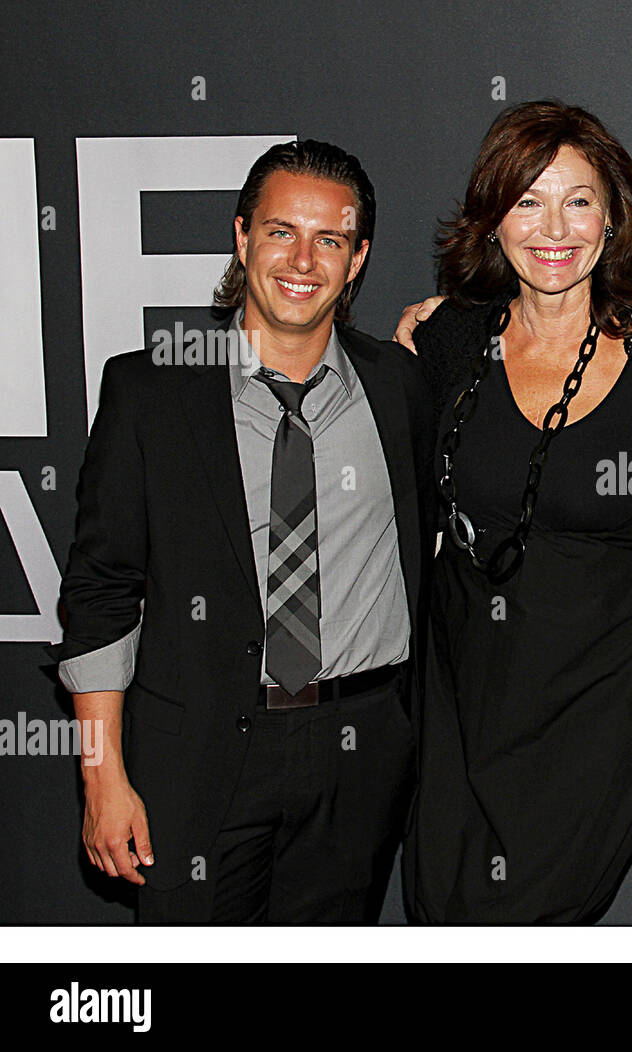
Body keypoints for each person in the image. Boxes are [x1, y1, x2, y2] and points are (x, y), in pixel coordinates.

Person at [54, 140, 438, 922]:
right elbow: (100, 595)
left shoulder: (399, 386)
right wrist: (102, 776)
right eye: (279, 231)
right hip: (197, 752)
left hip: (358, 751)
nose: (303, 259)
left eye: (329, 239)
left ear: (358, 258)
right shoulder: (149, 391)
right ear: (240, 237)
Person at [397, 101, 632, 923]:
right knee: (443, 914)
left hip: (596, 714)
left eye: (579, 200)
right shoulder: (447, 341)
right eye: (528, 200)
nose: (554, 226)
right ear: (492, 217)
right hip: (462, 699)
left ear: (614, 216)